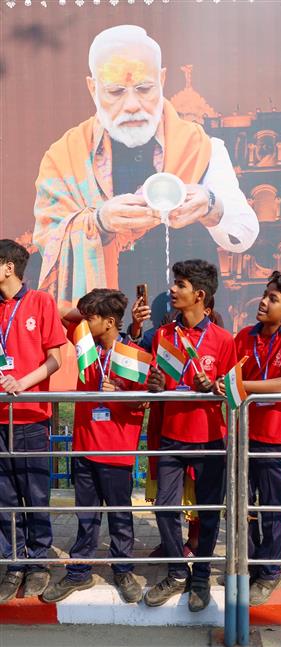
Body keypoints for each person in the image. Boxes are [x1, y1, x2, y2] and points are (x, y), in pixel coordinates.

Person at [33, 25, 258, 306]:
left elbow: (244, 235)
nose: (131, 104)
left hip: (188, 323)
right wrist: (99, 222)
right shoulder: (63, 158)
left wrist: (211, 205)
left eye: (144, 88)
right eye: (115, 91)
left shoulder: (202, 148)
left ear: (162, 80)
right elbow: (47, 242)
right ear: (93, 88)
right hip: (102, 326)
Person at [43, 289, 146, 604]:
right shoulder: (85, 339)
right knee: (85, 514)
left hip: (117, 451)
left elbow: (142, 403)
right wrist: (93, 306)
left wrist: (120, 393)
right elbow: (65, 313)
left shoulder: (134, 355)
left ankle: (124, 569)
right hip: (85, 446)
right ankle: (79, 571)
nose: (85, 322)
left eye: (92, 318)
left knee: (119, 515)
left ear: (110, 322)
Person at [144, 259, 236, 612]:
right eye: (174, 283)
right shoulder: (165, 335)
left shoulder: (223, 339)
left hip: (211, 437)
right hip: (171, 436)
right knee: (165, 509)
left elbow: (232, 391)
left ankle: (201, 575)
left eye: (180, 285)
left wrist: (213, 387)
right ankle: (177, 571)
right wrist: (155, 386)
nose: (173, 290)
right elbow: (158, 380)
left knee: (209, 512)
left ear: (199, 295)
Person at [216, 271, 281, 606]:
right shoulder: (243, 336)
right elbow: (227, 379)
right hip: (242, 432)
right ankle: (248, 565)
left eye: (273, 298)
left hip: (275, 433)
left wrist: (245, 388)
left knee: (272, 507)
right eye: (265, 294)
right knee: (242, 507)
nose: (264, 301)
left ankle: (270, 572)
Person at [0, 239, 66, 603]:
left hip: (29, 414)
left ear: (9, 266)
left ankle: (39, 561)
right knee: (4, 495)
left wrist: (21, 384)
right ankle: (13, 562)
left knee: (34, 491)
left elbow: (55, 358)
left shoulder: (40, 301)